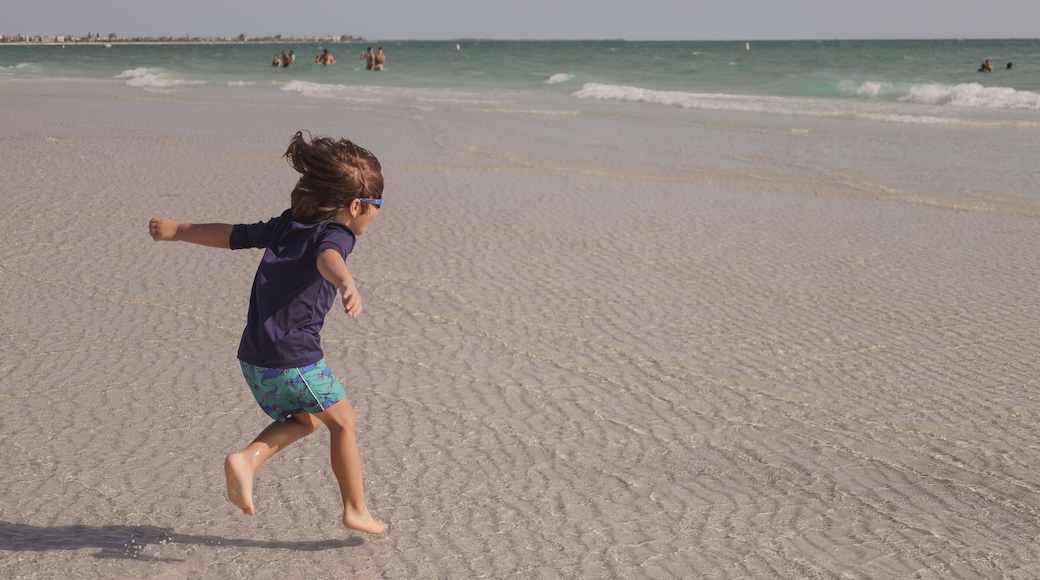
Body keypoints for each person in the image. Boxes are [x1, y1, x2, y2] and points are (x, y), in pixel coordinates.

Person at [147, 131, 387, 536]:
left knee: (306, 419)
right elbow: (328, 257)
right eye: (379, 206)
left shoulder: (286, 225)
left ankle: (248, 459)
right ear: (357, 206)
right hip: (294, 357)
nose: (378, 214)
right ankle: (356, 510)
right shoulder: (337, 233)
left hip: (255, 358)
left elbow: (232, 235)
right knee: (344, 422)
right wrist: (346, 281)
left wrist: (177, 229)